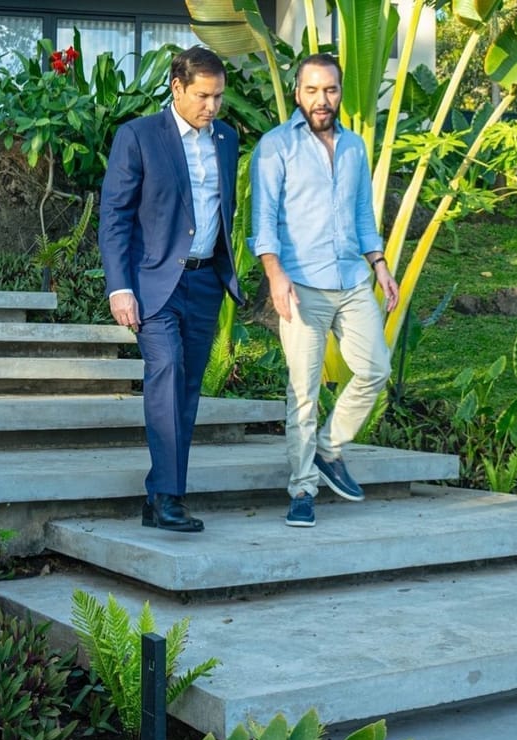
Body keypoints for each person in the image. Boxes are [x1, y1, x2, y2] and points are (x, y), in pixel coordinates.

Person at [250, 53, 400, 529]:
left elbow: (361, 215)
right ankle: (301, 489)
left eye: (330, 90)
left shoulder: (355, 147)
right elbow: (264, 222)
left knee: (375, 367)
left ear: (340, 93)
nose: (322, 99)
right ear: (298, 93)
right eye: (312, 90)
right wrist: (274, 275)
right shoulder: (275, 148)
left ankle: (329, 450)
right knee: (303, 392)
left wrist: (379, 264)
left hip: (352, 280)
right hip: (300, 284)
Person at [99, 46, 243, 533]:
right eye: (203, 96)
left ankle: (159, 493)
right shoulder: (137, 136)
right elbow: (114, 218)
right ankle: (168, 498)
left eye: (219, 97)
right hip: (154, 284)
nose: (212, 107)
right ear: (177, 88)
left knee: (186, 388)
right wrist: (120, 288)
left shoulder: (226, 139)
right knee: (167, 371)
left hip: (205, 282)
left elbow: (226, 209)